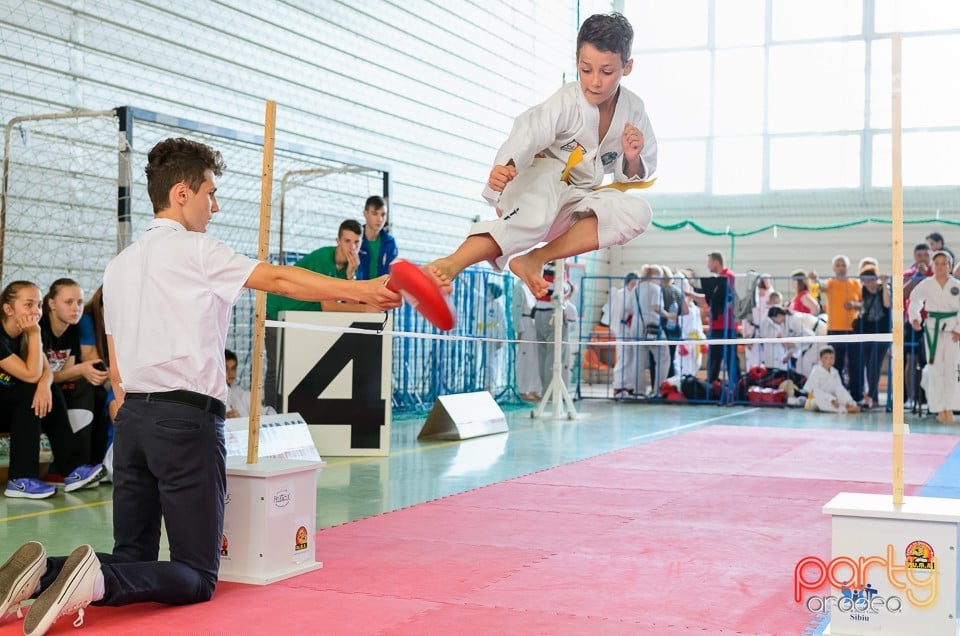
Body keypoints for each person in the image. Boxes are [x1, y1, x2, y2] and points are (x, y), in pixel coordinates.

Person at [0, 137, 401, 635]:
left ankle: (41, 573)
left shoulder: (118, 266)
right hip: (184, 424)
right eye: (210, 193)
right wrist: (364, 290)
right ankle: (93, 583)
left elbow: (118, 361)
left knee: (134, 556)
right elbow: (281, 281)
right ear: (182, 194)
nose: (216, 205)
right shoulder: (198, 251)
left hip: (132, 425)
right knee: (195, 575)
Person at [427, 12, 656, 299]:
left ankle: (535, 259)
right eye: (586, 70)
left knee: (638, 212)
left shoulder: (634, 110)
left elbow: (637, 171)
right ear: (577, 63)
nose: (594, 81)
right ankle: (451, 263)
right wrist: (506, 165)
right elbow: (530, 131)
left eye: (606, 72)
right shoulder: (567, 101)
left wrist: (633, 156)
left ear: (627, 67)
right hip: (534, 186)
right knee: (535, 211)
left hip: (576, 201)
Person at [0, 281, 105, 501]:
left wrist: (45, 386)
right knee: (30, 392)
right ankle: (20, 479)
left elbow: (45, 372)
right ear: (8, 309)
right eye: (28, 305)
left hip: (8, 407)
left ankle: (73, 470)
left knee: (50, 391)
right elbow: (30, 374)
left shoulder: (26, 334)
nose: (35, 312)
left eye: (38, 305)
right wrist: (36, 333)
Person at [265, 218, 375, 409]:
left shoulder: (351, 266)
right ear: (338, 240)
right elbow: (329, 306)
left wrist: (350, 275)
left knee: (296, 368)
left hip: (299, 318)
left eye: (356, 242)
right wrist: (366, 309)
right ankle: (268, 413)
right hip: (278, 310)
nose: (352, 247)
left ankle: (291, 412)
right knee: (277, 368)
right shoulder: (324, 260)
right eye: (347, 241)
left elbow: (348, 303)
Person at [39, 279, 110, 473]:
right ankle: (68, 468)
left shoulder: (70, 331)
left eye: (79, 302)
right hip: (36, 390)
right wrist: (81, 369)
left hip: (56, 386)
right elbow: (42, 376)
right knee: (77, 392)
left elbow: (64, 373)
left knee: (95, 393)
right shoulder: (41, 329)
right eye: (69, 302)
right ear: (52, 304)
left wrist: (84, 371)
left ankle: (91, 464)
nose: (76, 308)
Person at [908, 251, 960, 423]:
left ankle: (950, 408)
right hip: (932, 327)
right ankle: (939, 409)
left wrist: (959, 329)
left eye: (944, 263)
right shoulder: (926, 284)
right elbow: (914, 300)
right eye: (937, 263)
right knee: (935, 368)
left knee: (952, 368)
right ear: (932, 266)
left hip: (953, 329)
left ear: (950, 267)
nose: (940, 267)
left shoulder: (956, 285)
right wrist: (915, 318)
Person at [820, 255, 862, 393]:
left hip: (853, 329)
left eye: (843, 265)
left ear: (848, 267)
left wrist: (854, 305)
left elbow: (863, 303)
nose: (841, 268)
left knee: (854, 364)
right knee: (835, 363)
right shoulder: (830, 283)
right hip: (834, 329)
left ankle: (856, 394)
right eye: (838, 265)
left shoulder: (856, 283)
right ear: (833, 268)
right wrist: (814, 279)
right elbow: (821, 286)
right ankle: (837, 392)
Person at [854, 264, 891, 409]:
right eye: (865, 281)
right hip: (866, 332)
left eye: (871, 280)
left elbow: (887, 304)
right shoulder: (862, 291)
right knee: (867, 364)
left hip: (882, 332)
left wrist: (885, 284)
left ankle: (870, 395)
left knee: (874, 364)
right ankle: (872, 397)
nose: (869, 284)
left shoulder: (884, 290)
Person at [903, 242, 933, 410]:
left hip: (933, 323)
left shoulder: (937, 272)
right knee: (911, 359)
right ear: (915, 257)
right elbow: (903, 294)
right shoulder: (908, 273)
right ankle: (911, 398)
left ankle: (930, 399)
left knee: (931, 361)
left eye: (925, 255)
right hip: (913, 322)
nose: (922, 259)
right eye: (919, 256)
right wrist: (916, 277)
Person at [803, 346, 860, 414]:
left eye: (831, 358)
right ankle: (845, 410)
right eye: (826, 358)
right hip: (814, 400)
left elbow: (839, 389)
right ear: (821, 359)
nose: (829, 361)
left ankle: (848, 406)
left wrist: (847, 401)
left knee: (842, 397)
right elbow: (814, 391)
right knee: (817, 400)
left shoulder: (835, 372)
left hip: (831, 398)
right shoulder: (816, 371)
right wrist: (831, 399)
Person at [509, 279, 541, 402]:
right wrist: (519, 330)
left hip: (533, 324)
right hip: (525, 325)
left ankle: (533, 389)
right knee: (524, 360)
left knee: (534, 360)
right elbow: (516, 311)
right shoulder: (519, 288)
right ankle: (522, 390)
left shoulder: (530, 287)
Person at [356, 195, 398, 280]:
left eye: (383, 214)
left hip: (380, 291)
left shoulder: (390, 243)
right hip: (357, 290)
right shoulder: (354, 239)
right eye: (374, 214)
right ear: (365, 213)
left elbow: (391, 273)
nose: (380, 219)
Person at [224, 349, 276, 418]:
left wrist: (267, 416)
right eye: (226, 369)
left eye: (233, 368)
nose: (230, 373)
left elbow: (264, 411)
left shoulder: (240, 393)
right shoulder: (216, 395)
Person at [479, 282, 507, 395]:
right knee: (485, 362)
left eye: (489, 290)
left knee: (491, 363)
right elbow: (475, 292)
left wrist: (501, 339)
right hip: (482, 336)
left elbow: (502, 323)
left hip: (493, 336)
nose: (487, 291)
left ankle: (491, 387)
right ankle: (485, 385)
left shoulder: (497, 306)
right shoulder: (482, 303)